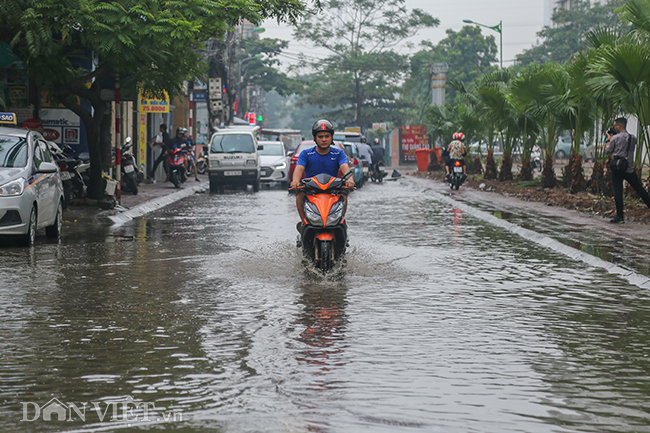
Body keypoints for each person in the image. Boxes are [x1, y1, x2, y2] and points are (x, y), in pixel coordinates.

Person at [291, 119, 354, 230]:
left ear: (331, 137)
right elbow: (299, 168)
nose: (324, 139)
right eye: (320, 137)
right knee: (300, 195)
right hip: (311, 189)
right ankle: (304, 222)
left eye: (327, 136)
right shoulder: (306, 154)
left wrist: (350, 180)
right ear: (315, 138)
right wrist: (295, 181)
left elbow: (345, 167)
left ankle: (340, 220)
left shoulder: (339, 153)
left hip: (332, 189)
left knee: (344, 195)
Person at [605, 117, 650, 223]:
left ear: (619, 126)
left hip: (617, 167)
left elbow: (608, 151)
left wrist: (608, 139)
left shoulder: (615, 138)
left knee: (618, 191)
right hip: (628, 167)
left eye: (615, 125)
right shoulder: (632, 138)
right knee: (639, 189)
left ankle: (620, 217)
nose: (614, 127)